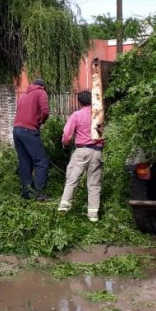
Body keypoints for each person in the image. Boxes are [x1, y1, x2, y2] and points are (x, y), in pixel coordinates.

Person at [59, 90, 104, 221]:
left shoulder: (76, 115)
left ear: (79, 102)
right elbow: (102, 134)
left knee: (72, 179)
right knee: (94, 184)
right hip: (97, 152)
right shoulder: (98, 115)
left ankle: (63, 209)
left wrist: (66, 146)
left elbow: (67, 135)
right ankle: (93, 216)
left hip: (82, 151)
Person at [12, 78, 50, 201]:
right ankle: (39, 193)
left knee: (24, 162)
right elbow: (45, 111)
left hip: (17, 130)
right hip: (28, 130)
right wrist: (41, 122)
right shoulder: (41, 92)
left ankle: (27, 192)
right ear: (43, 86)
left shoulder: (23, 96)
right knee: (41, 161)